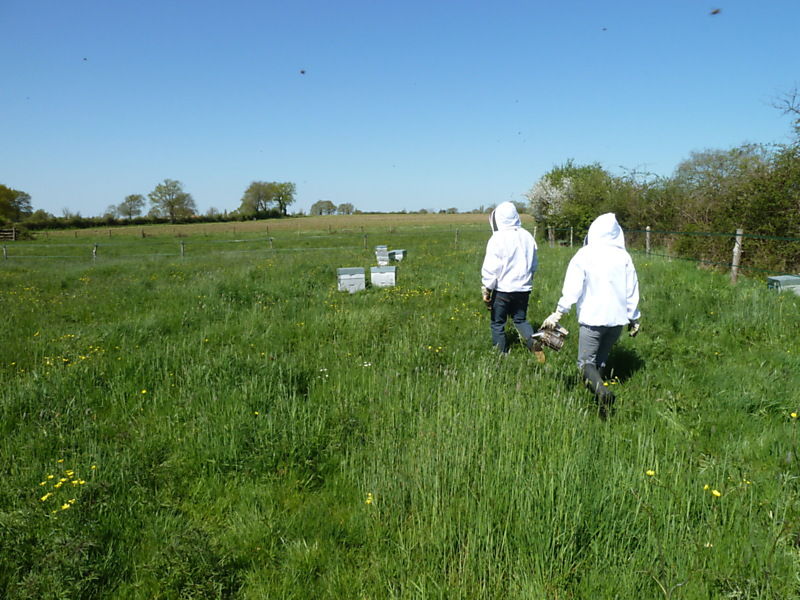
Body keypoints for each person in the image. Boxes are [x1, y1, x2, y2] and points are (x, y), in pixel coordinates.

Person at [541, 213, 640, 409]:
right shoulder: (624, 256)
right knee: (601, 361)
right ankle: (600, 403)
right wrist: (634, 318)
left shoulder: (584, 254)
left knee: (586, 363)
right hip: (617, 321)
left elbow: (572, 288)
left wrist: (559, 313)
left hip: (592, 319)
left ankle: (602, 393)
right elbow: (632, 289)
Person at [480, 201, 539, 354]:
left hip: (503, 290)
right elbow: (533, 264)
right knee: (520, 320)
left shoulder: (497, 238)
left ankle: (501, 355)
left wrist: (487, 289)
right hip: (523, 289)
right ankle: (534, 345)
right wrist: (529, 280)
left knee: (497, 323)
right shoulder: (527, 236)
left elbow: (492, 268)